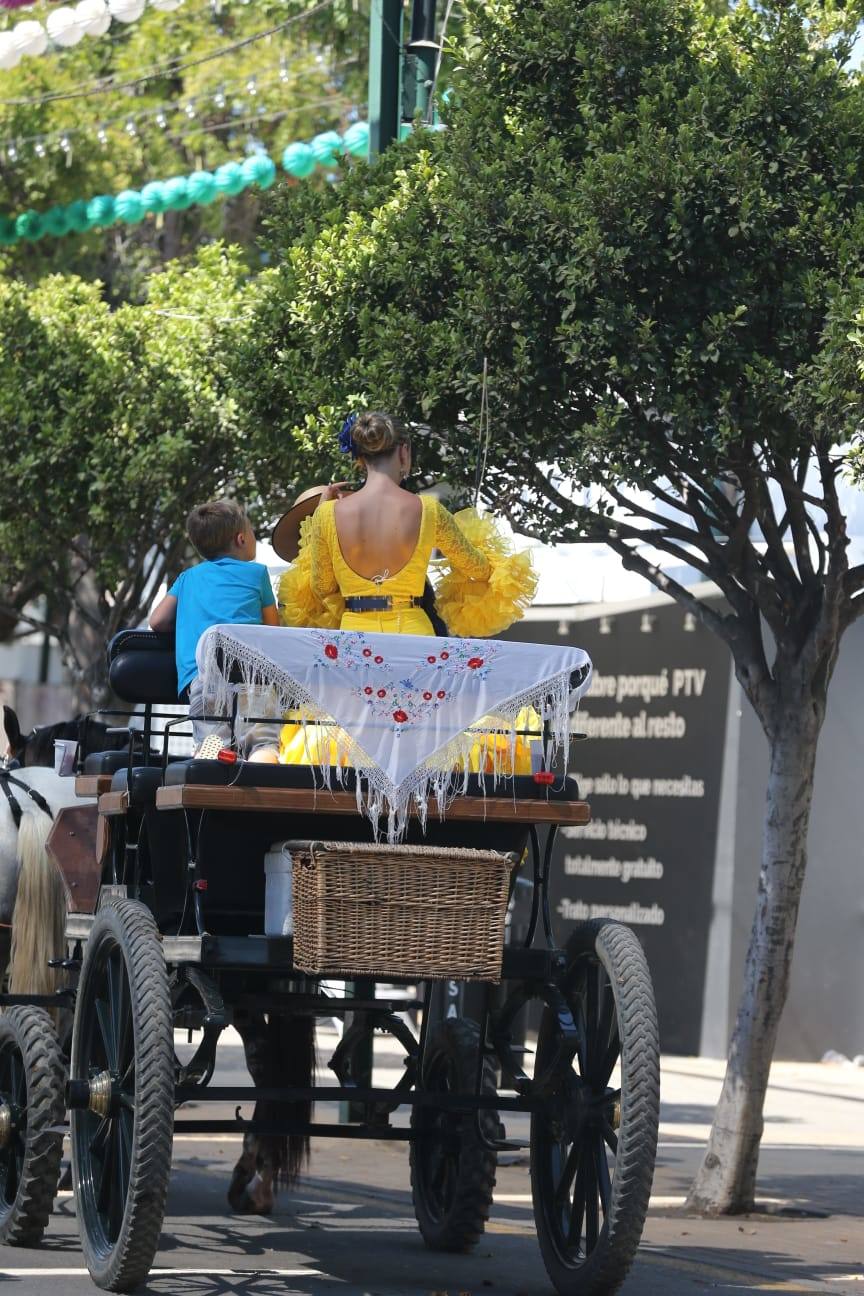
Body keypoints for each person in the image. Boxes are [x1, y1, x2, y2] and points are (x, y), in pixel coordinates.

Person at [275, 411, 539, 769]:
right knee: (427, 744)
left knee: (355, 746)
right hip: (417, 637)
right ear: (404, 452)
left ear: (358, 458)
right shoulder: (429, 510)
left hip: (356, 639)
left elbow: (322, 588)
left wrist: (327, 519)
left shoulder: (327, 516)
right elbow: (478, 569)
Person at [149, 499, 279, 757]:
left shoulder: (188, 578)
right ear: (241, 539)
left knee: (213, 746)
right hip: (253, 678)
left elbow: (157, 621)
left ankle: (211, 771)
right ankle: (263, 768)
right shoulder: (257, 574)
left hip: (203, 678)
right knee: (262, 744)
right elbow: (273, 629)